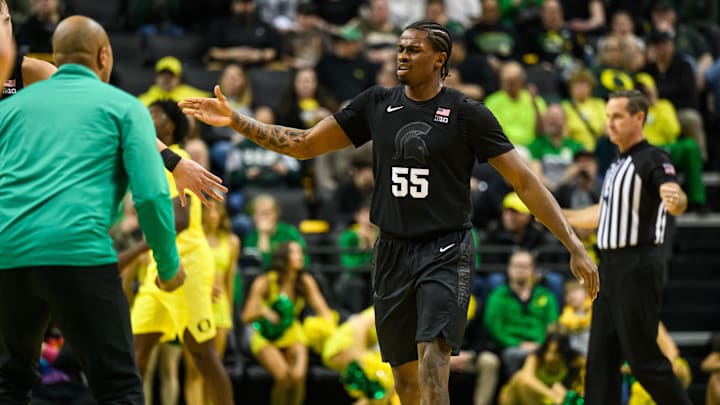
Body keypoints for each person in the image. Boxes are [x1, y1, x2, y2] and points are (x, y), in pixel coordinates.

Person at [180, 20, 598, 405]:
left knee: (435, 362)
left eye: (413, 50)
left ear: (439, 59)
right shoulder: (376, 103)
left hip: (446, 250)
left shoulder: (467, 113)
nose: (401, 55)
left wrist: (573, 243)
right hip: (392, 251)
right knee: (406, 383)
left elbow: (525, 182)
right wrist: (236, 120)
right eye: (399, 48)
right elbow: (304, 143)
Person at [0, 15, 185, 404]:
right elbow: (152, 198)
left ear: (56, 57)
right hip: (77, 252)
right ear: (105, 56)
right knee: (118, 388)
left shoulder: (10, 109)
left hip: (7, 255)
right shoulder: (125, 106)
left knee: (9, 383)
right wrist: (168, 268)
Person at [564, 89, 692, 405]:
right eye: (608, 117)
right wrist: (559, 215)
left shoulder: (653, 157)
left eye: (618, 116)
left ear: (639, 117)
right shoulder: (617, 164)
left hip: (636, 265)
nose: (610, 123)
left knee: (643, 360)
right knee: (600, 363)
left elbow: (671, 189)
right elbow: (604, 214)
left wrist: (675, 199)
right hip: (608, 268)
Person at [129, 100, 235, 405]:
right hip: (158, 267)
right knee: (136, 354)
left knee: (203, 355)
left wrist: (128, 255)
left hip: (187, 264)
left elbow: (180, 219)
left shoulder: (179, 158)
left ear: (170, 126)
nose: (147, 118)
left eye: (155, 114)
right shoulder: (146, 162)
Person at [241, 241, 334, 405]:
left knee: (298, 377)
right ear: (284, 257)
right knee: (283, 376)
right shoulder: (266, 281)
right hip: (265, 334)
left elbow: (324, 310)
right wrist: (264, 311)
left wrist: (326, 328)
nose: (300, 257)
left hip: (292, 332)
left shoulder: (305, 281)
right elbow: (246, 316)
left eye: (301, 253)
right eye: (295, 253)